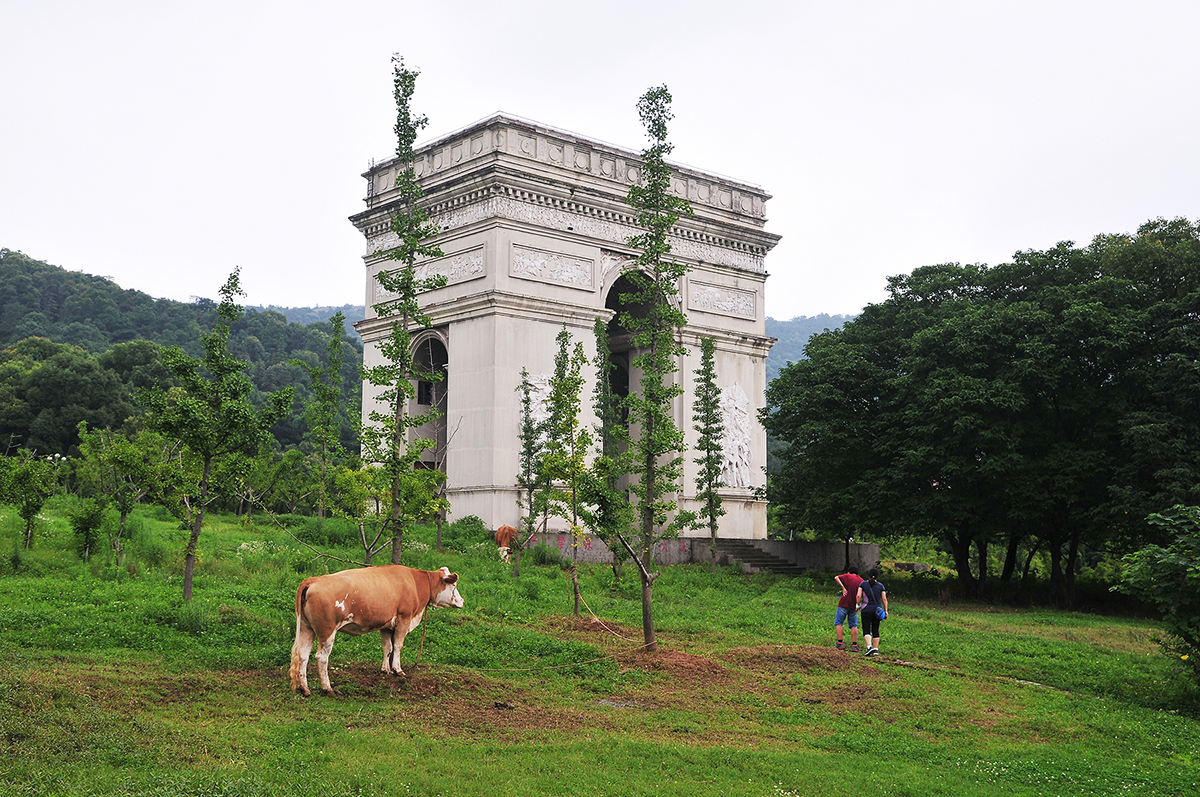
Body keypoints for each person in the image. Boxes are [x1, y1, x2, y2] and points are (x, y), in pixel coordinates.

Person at [855, 568, 890, 657]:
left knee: (866, 629)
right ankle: (876, 649)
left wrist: (858, 605)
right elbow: (884, 599)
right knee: (875, 629)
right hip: (877, 611)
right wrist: (886, 611)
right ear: (877, 576)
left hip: (866, 609)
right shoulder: (881, 586)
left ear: (868, 575)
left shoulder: (863, 584)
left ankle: (869, 647)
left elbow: (858, 595)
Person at [833, 567, 863, 651]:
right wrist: (858, 604)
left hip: (843, 603)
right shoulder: (861, 580)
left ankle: (840, 643)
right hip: (854, 605)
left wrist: (843, 588)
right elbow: (860, 594)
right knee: (853, 625)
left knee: (839, 622)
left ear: (849, 572)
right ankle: (854, 645)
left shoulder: (848, 576)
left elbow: (836, 577)